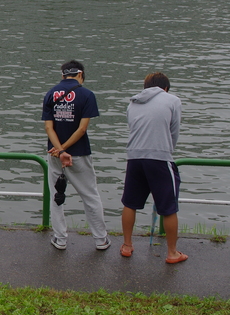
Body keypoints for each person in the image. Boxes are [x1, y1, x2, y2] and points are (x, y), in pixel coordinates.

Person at [42, 60, 111, 250]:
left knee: (57, 195)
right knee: (90, 196)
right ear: (80, 74)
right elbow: (82, 129)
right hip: (79, 154)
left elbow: (49, 127)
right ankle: (100, 239)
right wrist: (65, 149)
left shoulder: (51, 93)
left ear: (63, 74)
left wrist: (60, 150)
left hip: (55, 155)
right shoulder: (87, 95)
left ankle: (60, 238)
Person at [120, 72, 186, 264]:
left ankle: (127, 245)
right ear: (165, 88)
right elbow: (174, 130)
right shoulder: (172, 100)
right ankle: (172, 253)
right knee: (169, 207)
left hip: (134, 156)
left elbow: (132, 126)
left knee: (130, 203)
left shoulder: (133, 102)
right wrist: (168, 149)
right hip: (159, 157)